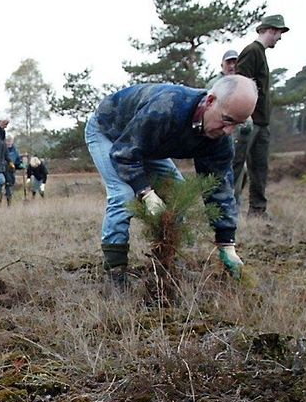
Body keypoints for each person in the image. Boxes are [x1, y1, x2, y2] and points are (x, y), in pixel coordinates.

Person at [84, 75, 258, 284]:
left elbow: (219, 188)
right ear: (210, 101)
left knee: (178, 193)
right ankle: (116, 273)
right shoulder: (167, 108)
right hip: (109, 132)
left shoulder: (220, 140)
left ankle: (165, 261)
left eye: (237, 125)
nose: (229, 131)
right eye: (227, 120)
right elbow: (124, 154)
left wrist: (226, 243)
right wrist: (146, 193)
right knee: (123, 195)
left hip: (144, 143)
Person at [231, 13, 290, 217]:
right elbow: (240, 85)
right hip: (249, 121)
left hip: (262, 123)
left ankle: (257, 210)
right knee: (237, 166)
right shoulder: (251, 51)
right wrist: (245, 115)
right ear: (271, 30)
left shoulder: (260, 53)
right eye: (279, 33)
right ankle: (227, 208)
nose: (280, 38)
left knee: (259, 168)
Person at [5, 134, 25, 204]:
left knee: (10, 186)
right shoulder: (1, 149)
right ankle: (0, 202)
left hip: (11, 172)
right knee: (4, 185)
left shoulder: (15, 151)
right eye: (7, 141)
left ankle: (8, 203)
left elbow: (17, 162)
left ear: (12, 141)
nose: (9, 142)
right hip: (2, 171)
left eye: (10, 141)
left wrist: (21, 165)